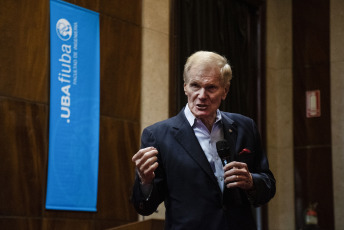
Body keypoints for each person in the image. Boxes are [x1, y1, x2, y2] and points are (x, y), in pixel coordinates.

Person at [131, 51, 276, 230]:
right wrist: (145, 182)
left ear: (225, 90)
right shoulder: (158, 136)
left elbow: (268, 185)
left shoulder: (246, 127)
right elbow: (144, 206)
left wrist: (251, 181)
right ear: (185, 87)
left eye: (211, 88)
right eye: (195, 86)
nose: (201, 95)